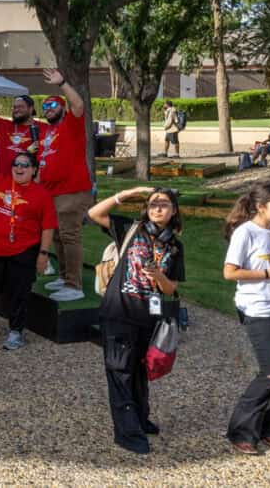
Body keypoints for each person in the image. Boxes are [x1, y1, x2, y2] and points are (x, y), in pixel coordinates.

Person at [88, 186, 185, 455]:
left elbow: (170, 289)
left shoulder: (174, 246)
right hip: (118, 312)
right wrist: (128, 193)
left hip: (149, 316)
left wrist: (160, 278)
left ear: (173, 210)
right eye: (153, 203)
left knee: (140, 370)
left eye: (164, 204)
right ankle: (127, 432)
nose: (157, 208)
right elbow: (94, 213)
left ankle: (140, 418)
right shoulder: (130, 229)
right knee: (120, 370)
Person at [222, 183, 270, 455]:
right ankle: (240, 432)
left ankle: (269, 428)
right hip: (256, 310)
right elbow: (230, 273)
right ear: (261, 206)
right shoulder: (245, 233)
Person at [0, 137, 57, 351]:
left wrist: (43, 254)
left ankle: (16, 331)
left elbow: (48, 227)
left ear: (34, 170)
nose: (19, 168)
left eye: (25, 165)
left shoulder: (42, 195)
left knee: (19, 292)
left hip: (24, 250)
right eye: (16, 164)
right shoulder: (0, 182)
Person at [33, 68, 93, 303]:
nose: (48, 110)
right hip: (51, 192)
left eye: (53, 105)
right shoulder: (47, 132)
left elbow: (79, 105)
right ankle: (64, 275)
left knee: (70, 235)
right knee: (56, 236)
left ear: (62, 108)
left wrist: (63, 83)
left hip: (72, 190)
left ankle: (74, 284)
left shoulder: (71, 124)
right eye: (45, 107)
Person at [0, 79, 49, 179]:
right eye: (14, 107)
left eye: (20, 107)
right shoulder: (4, 125)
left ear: (31, 109)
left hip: (27, 186)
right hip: (2, 184)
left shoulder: (43, 128)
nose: (16, 110)